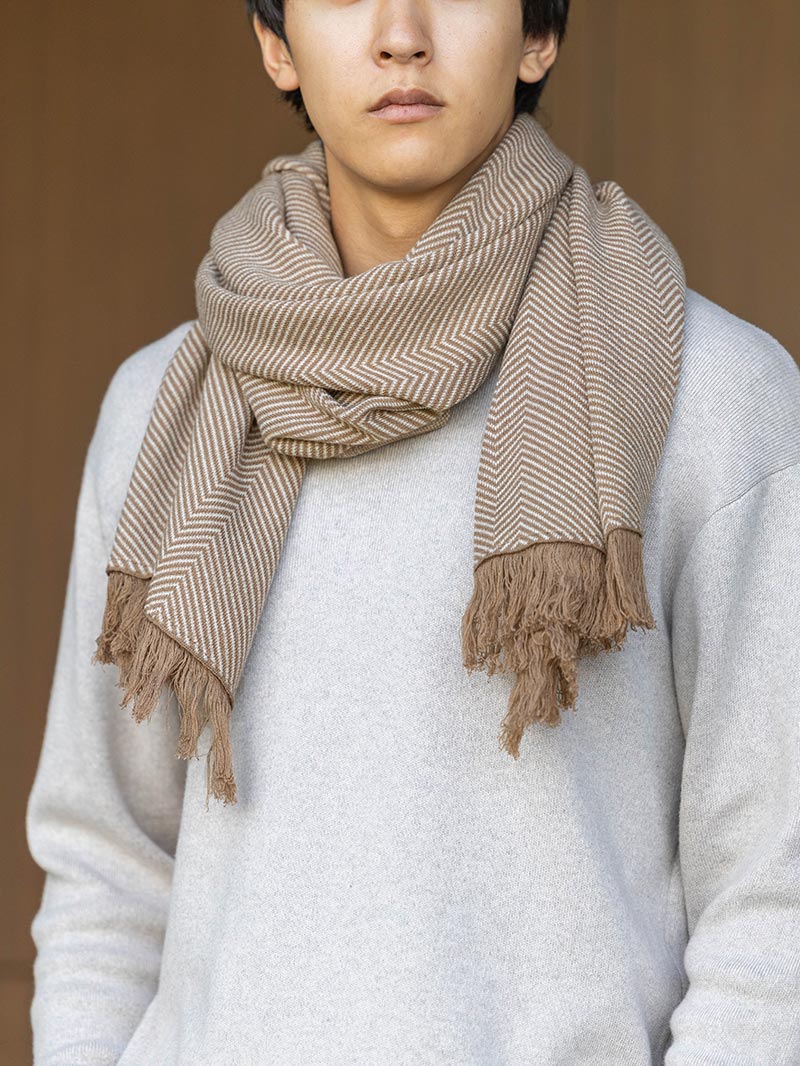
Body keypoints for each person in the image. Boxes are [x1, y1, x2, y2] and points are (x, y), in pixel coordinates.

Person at [26, 2, 800, 1064]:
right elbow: (107, 867)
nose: (401, 32)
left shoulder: (711, 398)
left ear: (538, 35)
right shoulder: (164, 413)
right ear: (275, 43)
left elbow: (774, 901)